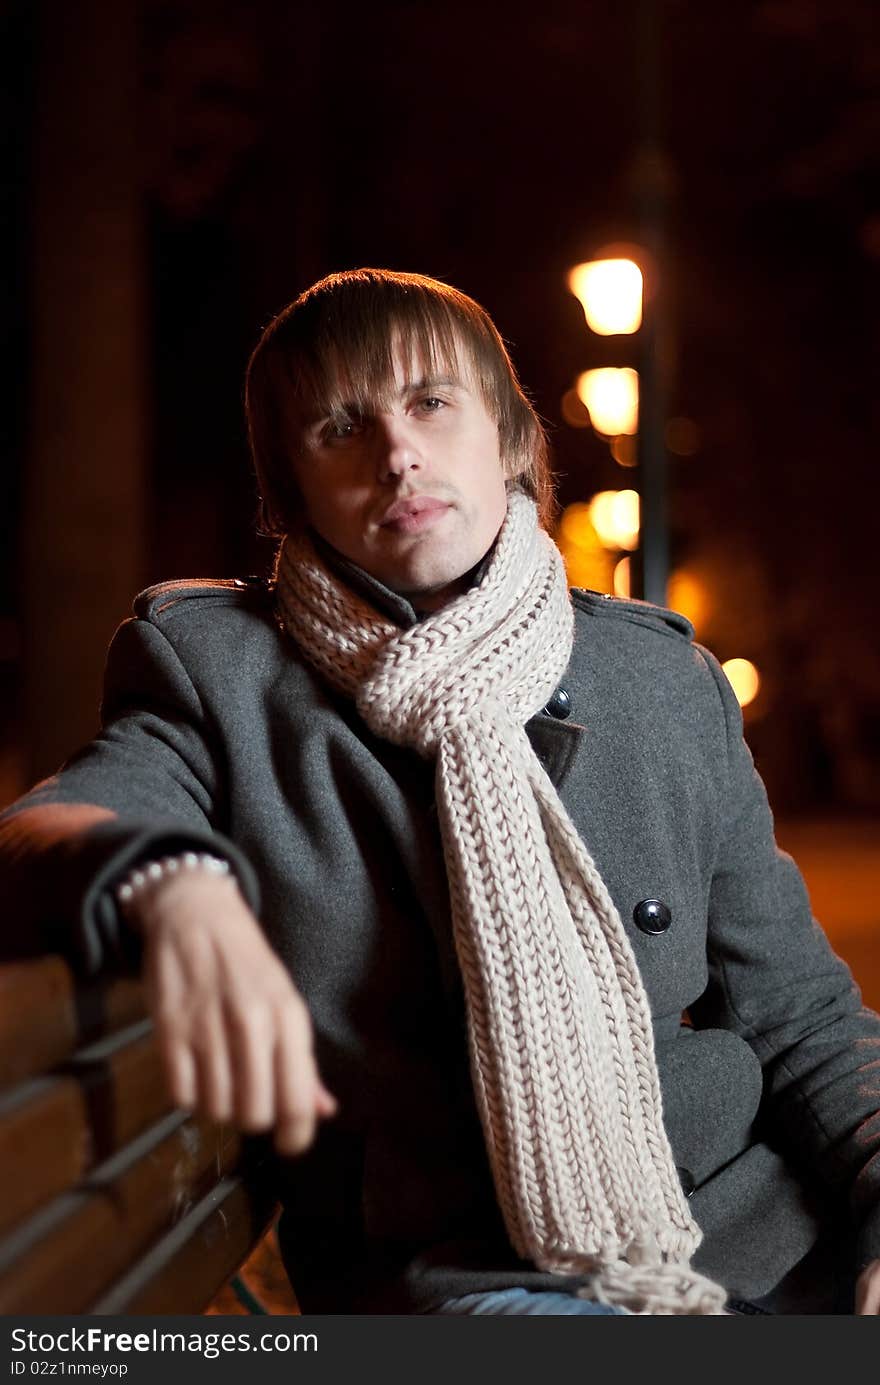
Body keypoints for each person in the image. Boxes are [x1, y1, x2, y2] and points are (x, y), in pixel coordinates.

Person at [2, 267, 879, 1316]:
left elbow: (800, 1016)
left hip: (764, 1239)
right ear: (292, 489)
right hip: (478, 1276)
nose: (396, 452)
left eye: (429, 402)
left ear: (508, 438)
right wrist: (176, 880)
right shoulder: (222, 673)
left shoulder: (659, 683)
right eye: (339, 427)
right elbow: (61, 816)